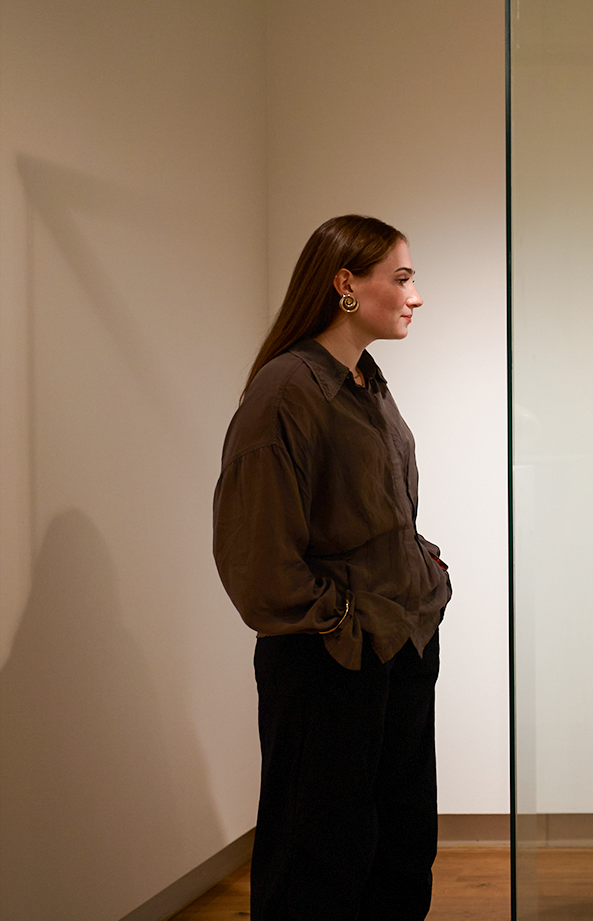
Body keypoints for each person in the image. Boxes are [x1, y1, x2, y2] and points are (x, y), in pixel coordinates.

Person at [212, 214, 451, 921]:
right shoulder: (288, 389)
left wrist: (426, 576)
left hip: (398, 644)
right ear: (346, 285)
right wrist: (341, 621)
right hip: (331, 660)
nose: (415, 295)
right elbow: (258, 558)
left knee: (399, 847)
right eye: (401, 278)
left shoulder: (365, 381)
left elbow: (378, 512)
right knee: (316, 858)